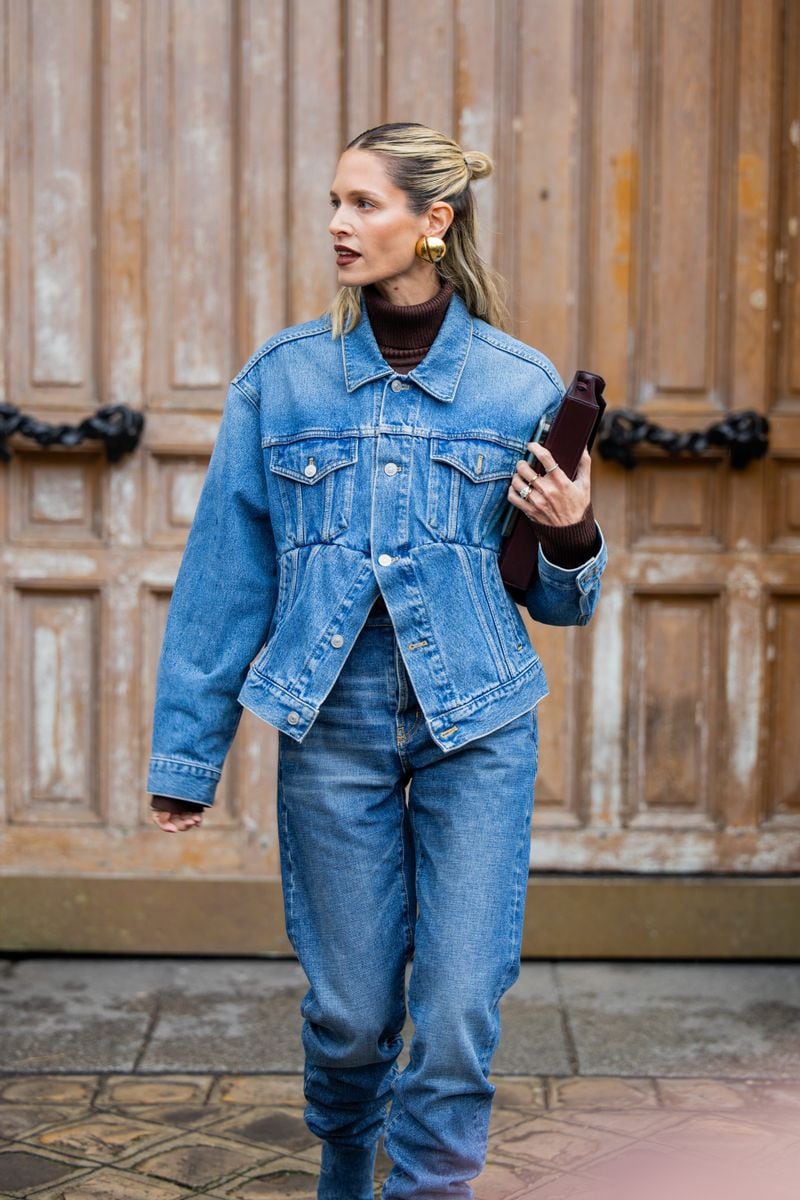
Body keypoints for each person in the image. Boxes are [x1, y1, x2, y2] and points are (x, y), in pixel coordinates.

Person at [148, 122, 607, 1199]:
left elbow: (556, 598)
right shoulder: (284, 381)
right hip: (333, 723)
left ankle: (428, 1186)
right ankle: (346, 1156)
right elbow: (225, 576)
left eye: (363, 204)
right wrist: (187, 755)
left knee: (454, 1012)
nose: (337, 225)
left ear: (432, 224)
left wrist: (575, 531)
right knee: (352, 1013)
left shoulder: (515, 384)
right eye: (334, 202)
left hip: (477, 727)